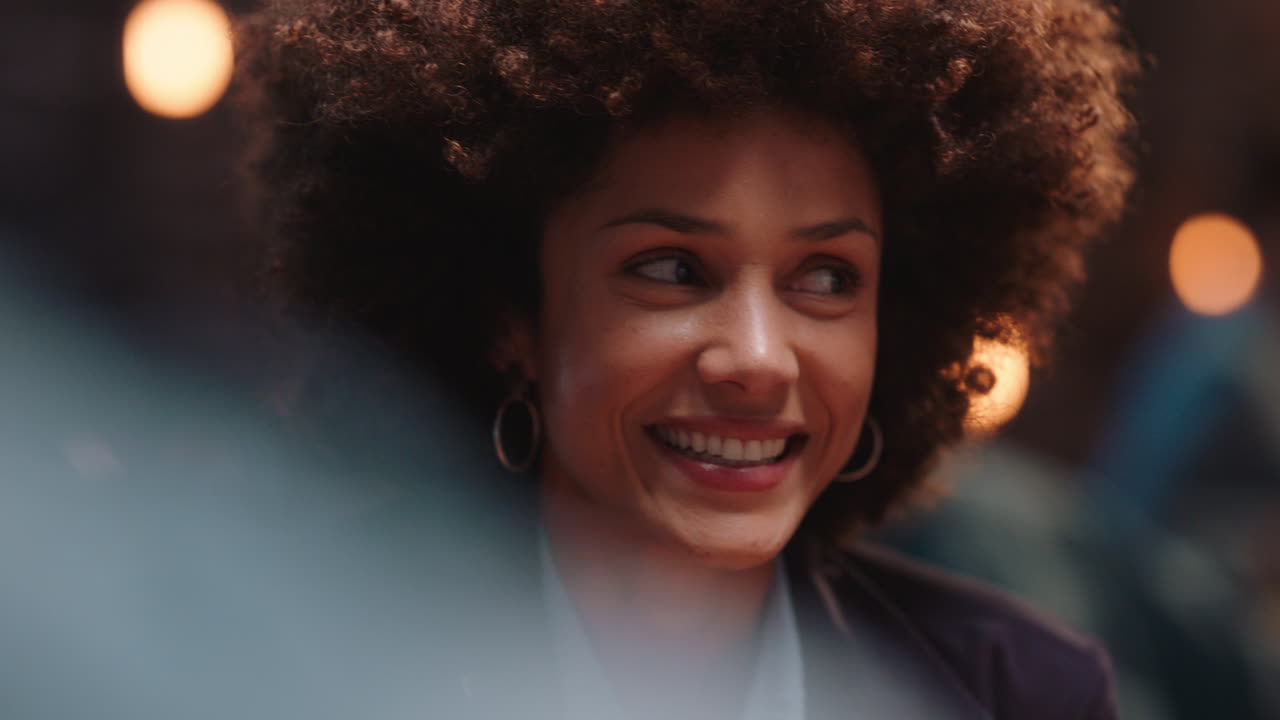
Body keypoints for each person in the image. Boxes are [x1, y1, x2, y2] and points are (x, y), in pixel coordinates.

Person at [234, 1, 1138, 718]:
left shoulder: (1014, 694)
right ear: (512, 314)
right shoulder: (291, 664)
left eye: (826, 277)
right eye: (671, 269)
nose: (758, 359)